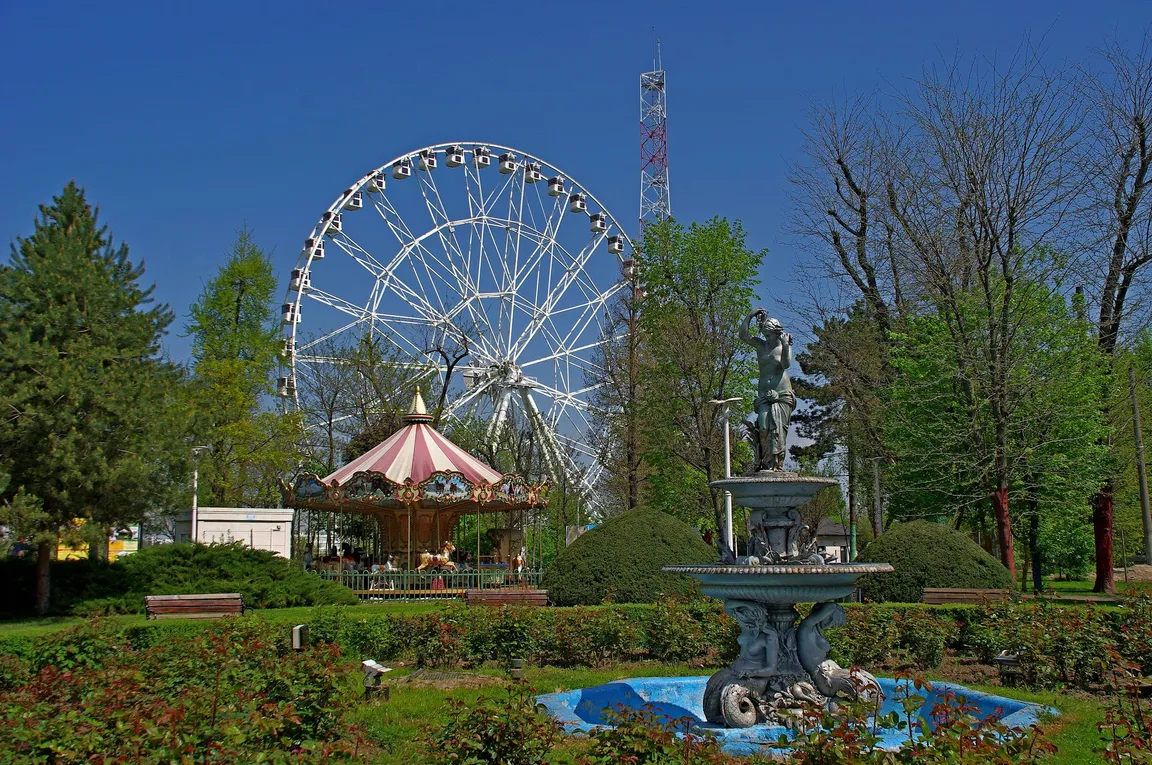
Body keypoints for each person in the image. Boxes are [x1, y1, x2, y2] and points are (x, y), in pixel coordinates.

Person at [739, 309, 795, 471]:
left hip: (782, 393)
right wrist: (749, 315)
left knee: (778, 429)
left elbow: (785, 365)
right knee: (763, 426)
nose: (767, 338)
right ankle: (764, 461)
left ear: (777, 334)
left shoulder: (784, 346)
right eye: (765, 334)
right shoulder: (760, 345)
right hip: (764, 393)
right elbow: (743, 336)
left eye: (769, 335)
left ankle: (778, 463)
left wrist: (785, 345)